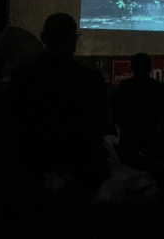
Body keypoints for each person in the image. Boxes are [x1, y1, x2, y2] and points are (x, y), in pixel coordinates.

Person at [9, 13, 111, 198]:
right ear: (74, 40)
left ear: (43, 38)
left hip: (32, 172)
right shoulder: (91, 80)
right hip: (81, 175)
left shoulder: (21, 78)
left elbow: (14, 126)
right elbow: (100, 125)